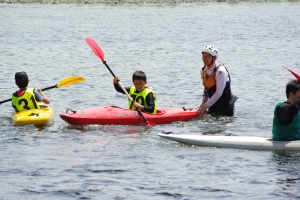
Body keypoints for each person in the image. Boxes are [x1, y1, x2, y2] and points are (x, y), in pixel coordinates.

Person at [198, 45, 238, 116]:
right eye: (203, 56)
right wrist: (203, 103)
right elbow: (206, 89)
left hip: (226, 106)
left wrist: (205, 106)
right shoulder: (203, 71)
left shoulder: (220, 71)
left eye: (208, 56)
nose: (205, 59)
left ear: (215, 58)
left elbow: (218, 92)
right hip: (213, 104)